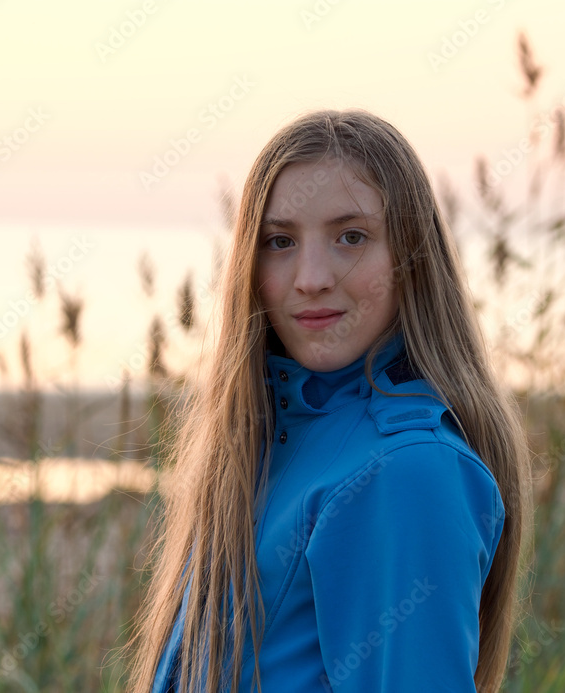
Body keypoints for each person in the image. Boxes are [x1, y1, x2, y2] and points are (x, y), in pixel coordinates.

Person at [121, 108, 533, 693]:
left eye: (351, 237)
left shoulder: (408, 472)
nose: (310, 277)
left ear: (410, 259)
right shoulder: (264, 437)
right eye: (280, 241)